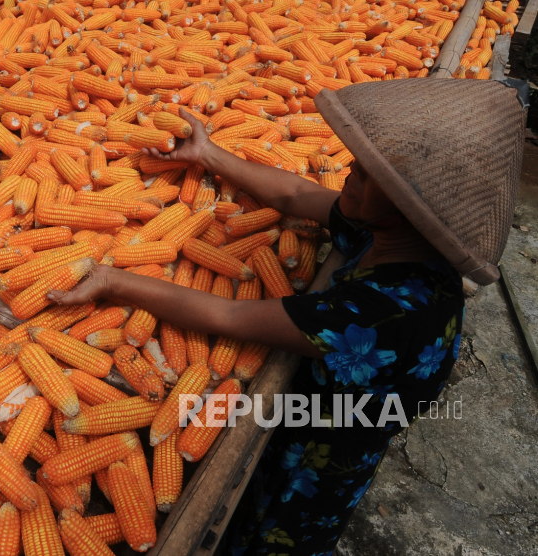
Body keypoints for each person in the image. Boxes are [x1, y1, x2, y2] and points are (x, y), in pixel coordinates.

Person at [47, 79, 526, 555]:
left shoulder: (377, 314)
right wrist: (208, 154)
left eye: (365, 174)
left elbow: (228, 315)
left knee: (269, 535)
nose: (349, 172)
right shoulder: (394, 240)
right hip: (336, 415)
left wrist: (116, 281)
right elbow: (298, 194)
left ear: (408, 209)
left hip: (321, 457)